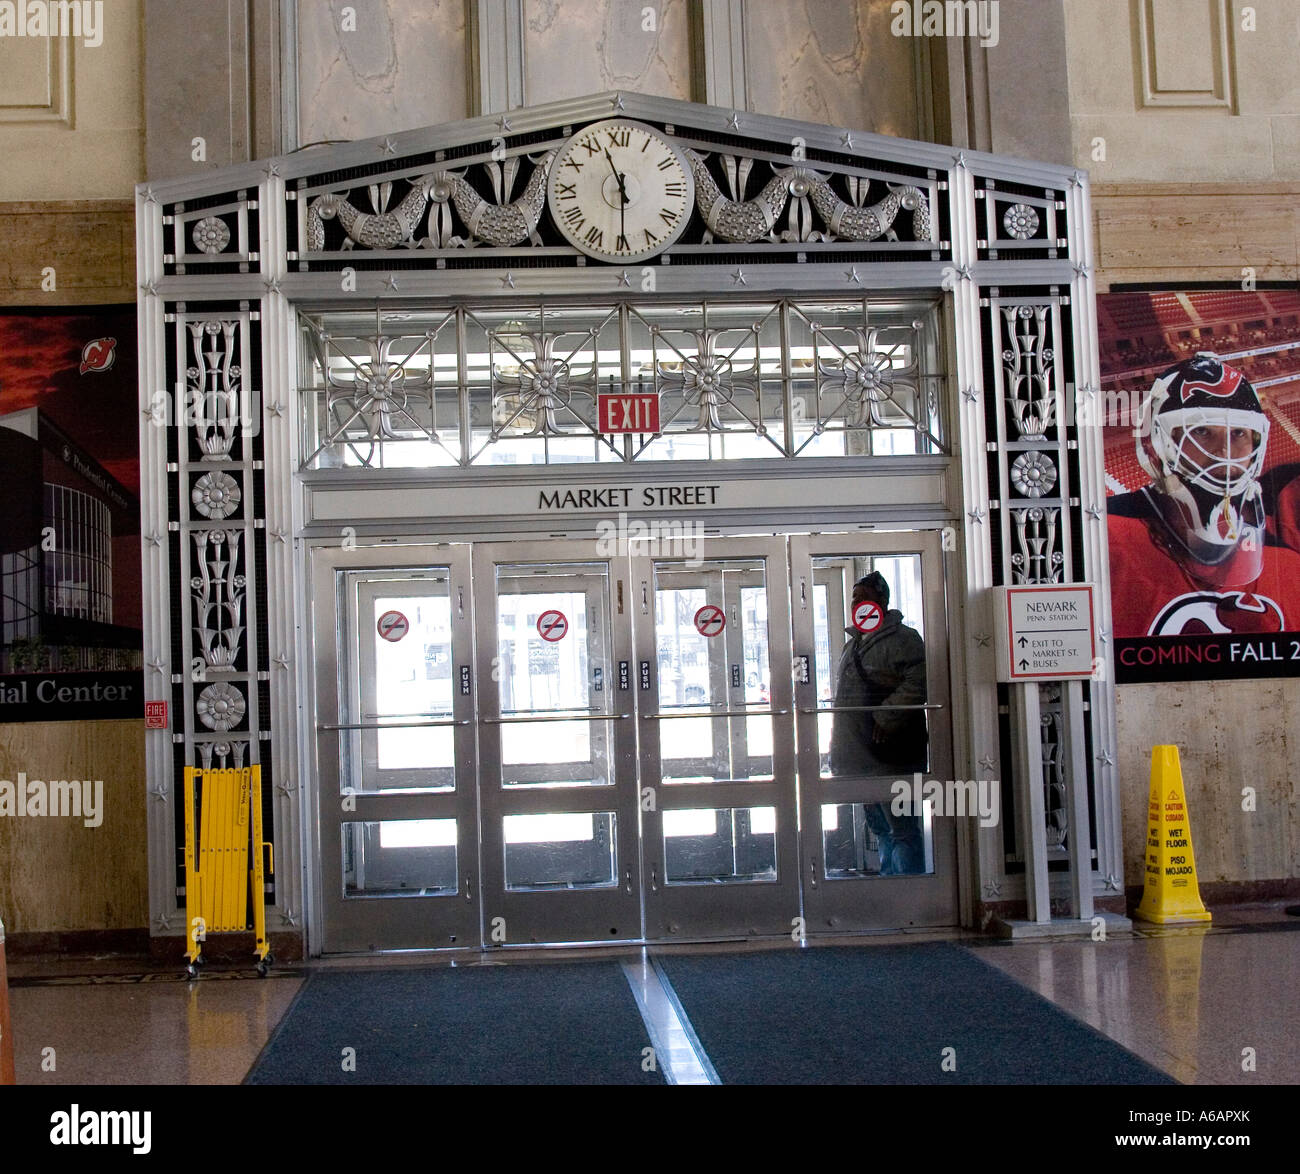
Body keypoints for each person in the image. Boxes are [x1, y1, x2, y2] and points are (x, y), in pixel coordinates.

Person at [1108, 353, 1300, 636]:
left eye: (1239, 434)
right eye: (1201, 432)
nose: (1225, 453)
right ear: (1159, 445)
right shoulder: (1102, 536)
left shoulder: (1287, 565)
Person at [828, 571, 928, 875]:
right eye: (854, 598)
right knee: (881, 829)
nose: (856, 603)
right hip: (859, 755)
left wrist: (886, 717)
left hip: (891, 755)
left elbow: (920, 681)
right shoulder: (853, 644)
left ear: (881, 601)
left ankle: (910, 893)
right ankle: (889, 887)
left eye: (864, 597)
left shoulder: (904, 639)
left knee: (903, 830)